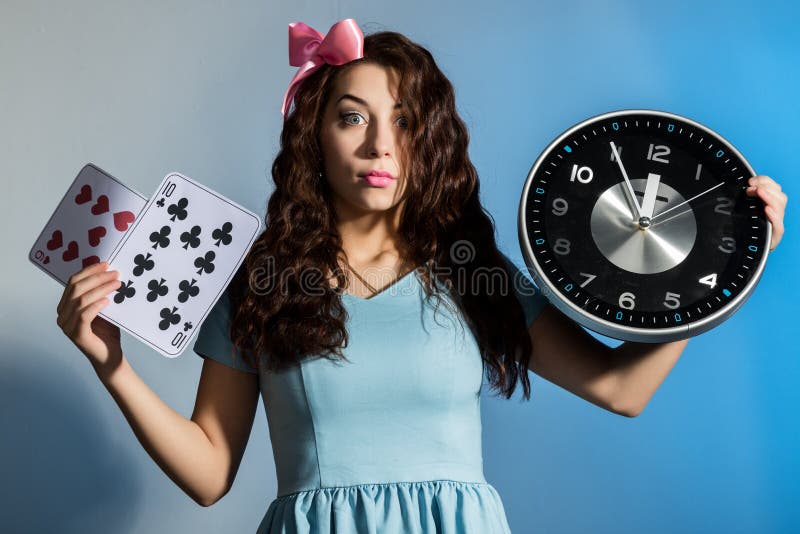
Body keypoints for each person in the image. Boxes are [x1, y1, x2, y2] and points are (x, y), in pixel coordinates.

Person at [55, 18, 788, 534]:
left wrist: (723, 268)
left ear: (430, 140)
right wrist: (112, 366)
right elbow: (212, 474)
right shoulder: (261, 281)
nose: (380, 144)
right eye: (352, 118)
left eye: (404, 121)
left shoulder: (474, 274)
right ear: (314, 133)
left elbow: (623, 390)